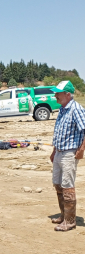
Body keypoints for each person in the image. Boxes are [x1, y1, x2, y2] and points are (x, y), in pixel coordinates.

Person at [49, 80, 85, 232]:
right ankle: (64, 215)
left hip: (69, 153)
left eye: (58, 93)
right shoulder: (62, 109)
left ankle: (70, 221)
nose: (55, 95)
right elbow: (59, 132)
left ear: (68, 94)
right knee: (57, 183)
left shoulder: (76, 109)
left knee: (67, 185)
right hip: (59, 152)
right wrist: (53, 151)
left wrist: (82, 149)